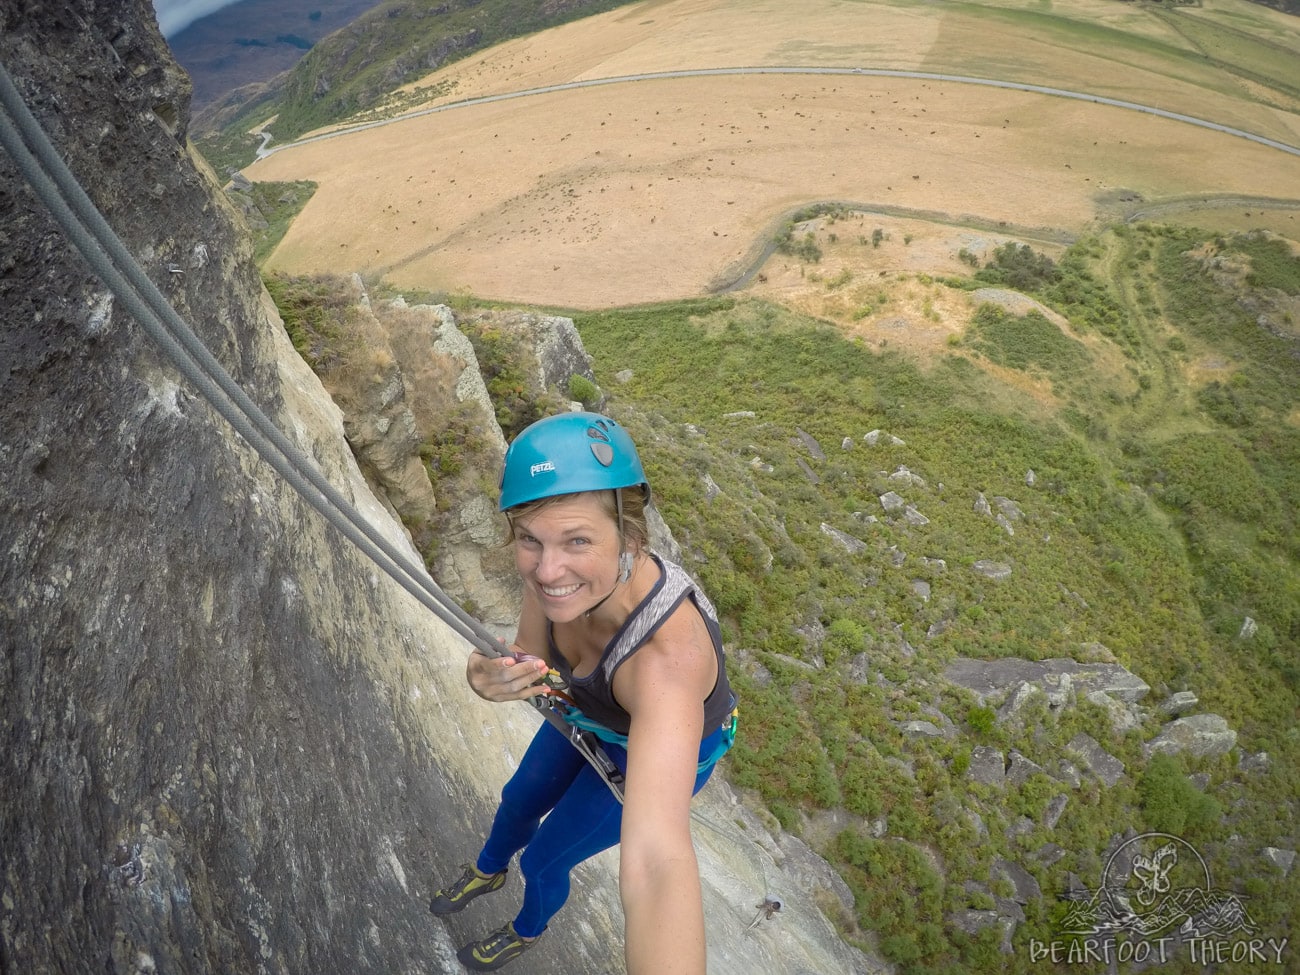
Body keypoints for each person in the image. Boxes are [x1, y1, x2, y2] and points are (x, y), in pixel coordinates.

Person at [430, 411, 736, 974]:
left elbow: (657, 864)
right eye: (529, 539)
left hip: (650, 747)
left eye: (578, 540)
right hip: (589, 717)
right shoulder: (551, 579)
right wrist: (487, 675)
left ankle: (526, 929)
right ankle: (489, 867)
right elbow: (531, 658)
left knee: (546, 860)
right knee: (518, 799)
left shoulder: (667, 662)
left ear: (630, 536)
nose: (547, 571)